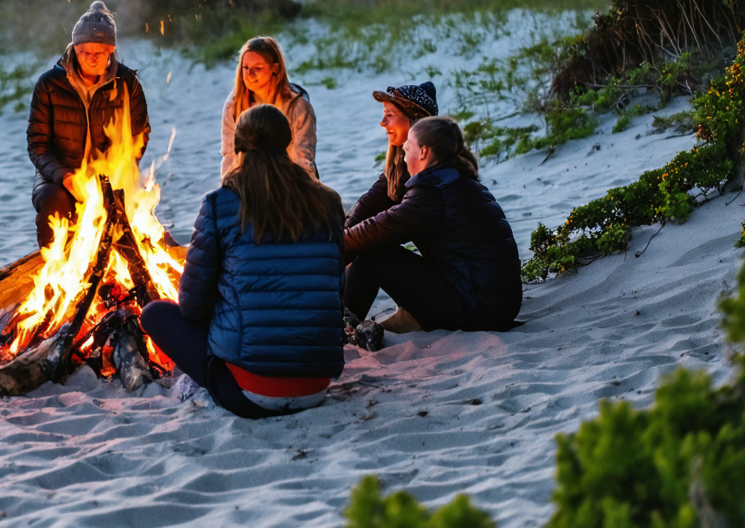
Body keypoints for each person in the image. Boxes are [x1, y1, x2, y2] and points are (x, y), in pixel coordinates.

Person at [141, 104, 346, 419]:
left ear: (237, 149)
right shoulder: (328, 201)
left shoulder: (220, 203)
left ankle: (201, 385)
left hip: (251, 395)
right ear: (287, 143)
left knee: (155, 313)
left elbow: (192, 307)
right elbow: (335, 288)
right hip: (317, 386)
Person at [343, 116, 522, 333]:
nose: (405, 157)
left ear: (424, 152)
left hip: (478, 312)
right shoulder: (458, 182)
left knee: (372, 253)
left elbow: (376, 230)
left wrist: (328, 251)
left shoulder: (432, 193)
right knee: (373, 247)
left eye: (407, 149)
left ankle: (337, 328)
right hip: (495, 306)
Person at [27, 0, 150, 249]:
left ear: (110, 52)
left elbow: (140, 135)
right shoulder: (49, 84)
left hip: (109, 177)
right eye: (85, 52)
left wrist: (115, 172)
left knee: (122, 218)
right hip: (58, 178)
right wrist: (67, 177)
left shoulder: (127, 83)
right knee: (54, 203)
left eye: (99, 53)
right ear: (74, 48)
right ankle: (58, 276)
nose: (91, 59)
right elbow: (38, 145)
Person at [220, 36, 318, 181]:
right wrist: (228, 189)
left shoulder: (297, 105)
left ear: (275, 68)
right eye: (245, 68)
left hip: (290, 180)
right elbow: (230, 156)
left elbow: (302, 159)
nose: (249, 74)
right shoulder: (234, 105)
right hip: (250, 182)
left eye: (257, 68)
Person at [344, 81, 437, 229]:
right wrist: (342, 235)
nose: (382, 122)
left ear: (415, 120)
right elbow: (368, 205)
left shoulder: (433, 171)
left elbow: (389, 225)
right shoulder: (400, 168)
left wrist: (344, 242)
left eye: (390, 115)